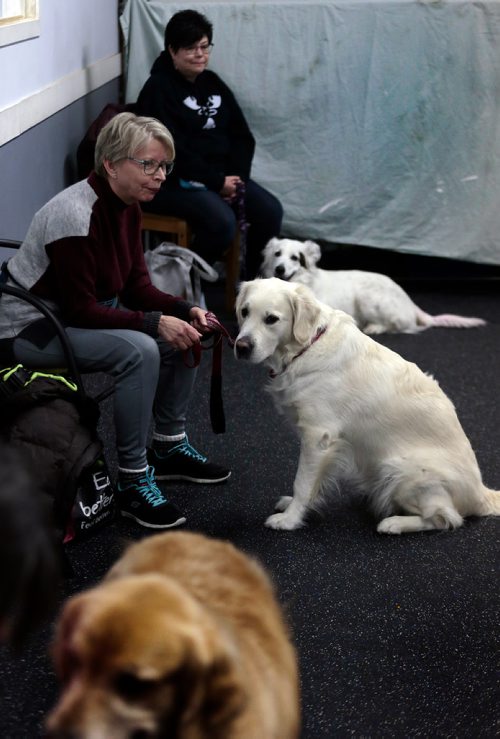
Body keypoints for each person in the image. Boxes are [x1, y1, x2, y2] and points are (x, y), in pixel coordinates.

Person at [0, 112, 230, 530]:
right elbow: (79, 309)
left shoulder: (128, 206)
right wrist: (154, 323)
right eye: (148, 164)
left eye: (164, 166)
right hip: (28, 330)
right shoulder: (74, 215)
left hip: (68, 318)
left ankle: (168, 447)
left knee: (180, 334)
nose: (159, 176)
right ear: (111, 164)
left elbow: (137, 289)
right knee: (141, 349)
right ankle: (132, 481)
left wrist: (183, 310)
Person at [135, 8, 283, 279]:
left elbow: (242, 136)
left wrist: (236, 180)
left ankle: (250, 282)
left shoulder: (212, 82)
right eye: (191, 48)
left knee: (270, 211)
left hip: (223, 177)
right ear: (172, 50)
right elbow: (171, 151)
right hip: (176, 182)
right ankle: (183, 284)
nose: (200, 54)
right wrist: (217, 183)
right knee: (221, 223)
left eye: (205, 46)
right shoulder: (157, 89)